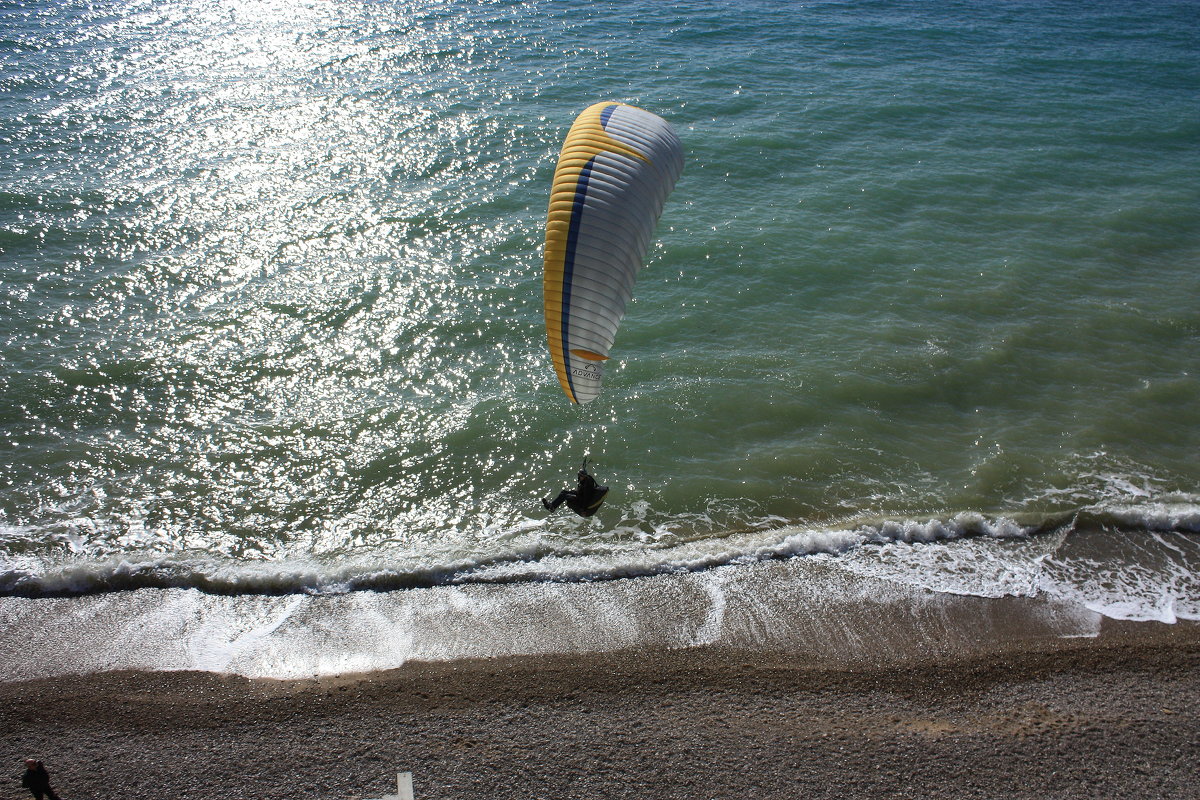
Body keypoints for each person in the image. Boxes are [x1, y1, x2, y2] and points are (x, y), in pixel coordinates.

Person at [543, 462, 608, 517]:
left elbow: (586, 497)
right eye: (579, 475)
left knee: (566, 496)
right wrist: (572, 492)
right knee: (564, 492)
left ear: (584, 476)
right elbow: (580, 492)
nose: (579, 477)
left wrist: (583, 509)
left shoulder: (587, 485)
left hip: (581, 500)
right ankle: (552, 506)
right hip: (580, 496)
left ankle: (551, 507)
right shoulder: (584, 481)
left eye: (581, 476)